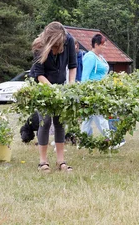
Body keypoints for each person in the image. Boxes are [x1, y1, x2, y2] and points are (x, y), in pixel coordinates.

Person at [30, 21, 77, 173]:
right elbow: (39, 74)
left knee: (60, 121)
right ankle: (43, 162)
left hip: (60, 85)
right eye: (54, 47)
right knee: (45, 120)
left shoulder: (68, 40)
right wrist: (53, 91)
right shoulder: (39, 45)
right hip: (43, 85)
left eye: (59, 47)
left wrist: (70, 85)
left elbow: (72, 65)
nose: (57, 51)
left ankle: (60, 161)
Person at [80, 34, 111, 137]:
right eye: (103, 45)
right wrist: (84, 93)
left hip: (101, 90)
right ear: (96, 45)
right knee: (100, 115)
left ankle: (84, 138)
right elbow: (85, 76)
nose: (105, 47)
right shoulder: (90, 57)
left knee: (87, 117)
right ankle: (109, 139)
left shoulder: (101, 57)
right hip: (93, 92)